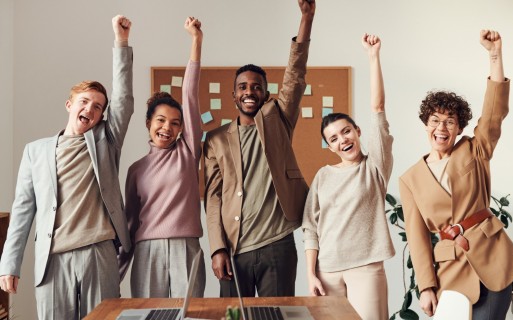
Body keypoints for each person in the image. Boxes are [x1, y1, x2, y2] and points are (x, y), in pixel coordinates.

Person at [0, 15, 134, 319]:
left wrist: (121, 42)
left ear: (102, 116)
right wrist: (9, 264)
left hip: (99, 253)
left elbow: (124, 100)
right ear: (69, 105)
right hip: (52, 259)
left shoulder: (106, 143)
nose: (90, 109)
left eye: (98, 106)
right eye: (85, 102)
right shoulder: (35, 151)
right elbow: (22, 211)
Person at [399, 30, 513, 319]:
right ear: (425, 124)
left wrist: (494, 55)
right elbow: (417, 238)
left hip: (493, 259)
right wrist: (426, 287)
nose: (441, 128)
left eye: (449, 122)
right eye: (435, 121)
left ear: (459, 128)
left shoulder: (474, 149)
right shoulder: (410, 179)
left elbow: (494, 114)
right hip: (450, 270)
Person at [203, 0, 315, 297]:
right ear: (234, 95)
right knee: (231, 317)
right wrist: (216, 248)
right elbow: (212, 199)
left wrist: (306, 19)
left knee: (276, 316)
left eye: (256, 87)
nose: (249, 91)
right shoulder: (215, 139)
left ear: (265, 93)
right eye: (243, 87)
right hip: (233, 247)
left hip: (277, 244)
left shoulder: (278, 118)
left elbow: (295, 75)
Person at [302, 34, 394, 319]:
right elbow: (310, 228)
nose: (342, 139)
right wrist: (311, 274)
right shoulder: (323, 176)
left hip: (365, 269)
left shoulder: (374, 167)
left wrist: (373, 57)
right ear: (329, 147)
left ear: (357, 132)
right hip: (326, 272)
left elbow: (378, 108)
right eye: (333, 138)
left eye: (346, 131)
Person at [117, 16, 205, 298]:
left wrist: (196, 41)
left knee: (190, 317)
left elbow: (189, 95)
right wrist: (115, 274)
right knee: (148, 316)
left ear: (182, 128)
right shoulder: (136, 170)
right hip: (146, 252)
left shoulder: (188, 152)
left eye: (175, 123)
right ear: (148, 123)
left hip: (186, 248)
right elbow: (130, 224)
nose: (167, 127)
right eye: (161, 120)